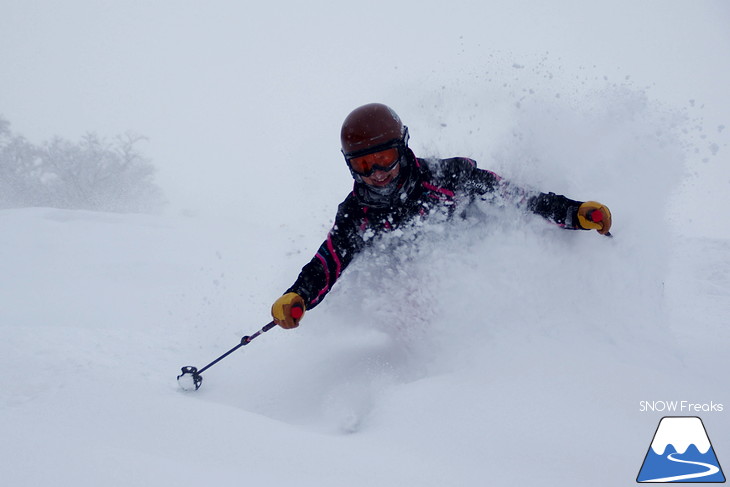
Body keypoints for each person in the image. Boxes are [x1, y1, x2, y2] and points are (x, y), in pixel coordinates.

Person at [271, 103, 612, 329]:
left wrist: (573, 213)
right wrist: (298, 295)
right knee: (409, 293)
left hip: (471, 245)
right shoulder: (357, 214)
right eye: (363, 164)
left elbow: (517, 197)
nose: (376, 172)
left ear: (402, 147)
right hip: (412, 276)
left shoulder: (446, 176)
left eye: (384, 157)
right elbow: (329, 260)